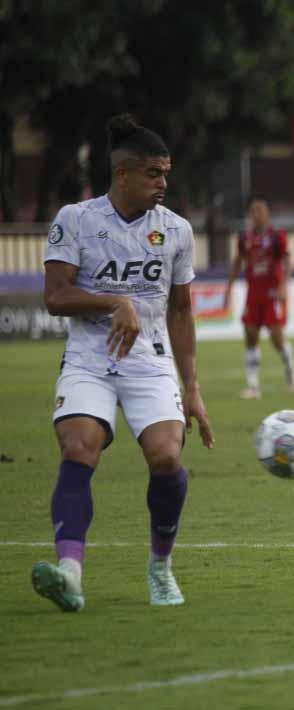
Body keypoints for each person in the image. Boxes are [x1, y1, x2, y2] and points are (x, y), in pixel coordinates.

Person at [34, 114, 215, 612]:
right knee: (79, 448)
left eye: (166, 174)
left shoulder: (176, 230)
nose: (163, 183)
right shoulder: (76, 219)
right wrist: (115, 302)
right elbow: (55, 296)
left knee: (167, 457)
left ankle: (160, 567)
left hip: (150, 362)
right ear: (122, 173)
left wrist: (192, 387)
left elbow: (181, 310)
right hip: (89, 360)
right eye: (154, 174)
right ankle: (70, 574)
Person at [224, 196, 294, 399]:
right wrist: (228, 288)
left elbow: (287, 261)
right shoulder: (244, 238)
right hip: (253, 294)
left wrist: (283, 285)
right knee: (250, 334)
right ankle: (253, 386)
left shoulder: (276, 237)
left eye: (260, 211)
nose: (256, 215)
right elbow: (238, 262)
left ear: (267, 215)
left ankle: (290, 366)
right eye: (253, 212)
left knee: (276, 338)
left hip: (272, 293)